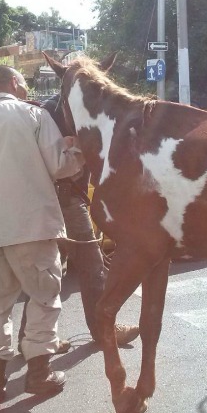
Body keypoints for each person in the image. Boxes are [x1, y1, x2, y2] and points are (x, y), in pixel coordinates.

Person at [0, 66, 84, 413]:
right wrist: (75, 151)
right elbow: (60, 166)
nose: (27, 86)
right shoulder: (33, 115)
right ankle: (39, 374)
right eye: (24, 81)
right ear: (13, 83)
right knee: (44, 298)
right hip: (31, 226)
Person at [18, 94, 139, 351]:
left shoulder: (57, 110)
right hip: (67, 198)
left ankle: (31, 337)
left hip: (58, 198)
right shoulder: (58, 112)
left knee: (48, 269)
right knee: (90, 265)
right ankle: (103, 332)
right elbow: (62, 160)